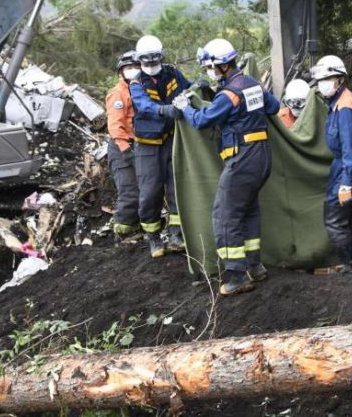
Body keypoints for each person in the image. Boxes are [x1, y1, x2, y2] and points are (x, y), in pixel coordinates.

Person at [178, 38, 280, 295]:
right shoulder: (252, 84)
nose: (208, 72)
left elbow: (203, 120)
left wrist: (186, 109)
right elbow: (274, 106)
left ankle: (236, 275)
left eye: (210, 67)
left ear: (222, 66)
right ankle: (255, 267)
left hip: (243, 158)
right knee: (248, 211)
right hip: (263, 156)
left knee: (225, 215)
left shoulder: (229, 94)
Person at [129, 34, 191, 258]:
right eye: (147, 62)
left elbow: (188, 89)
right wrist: (163, 110)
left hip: (172, 140)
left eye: (155, 61)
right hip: (147, 147)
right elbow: (143, 106)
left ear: (161, 58)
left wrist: (201, 87)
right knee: (149, 193)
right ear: (140, 61)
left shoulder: (173, 73)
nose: (151, 66)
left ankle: (176, 234)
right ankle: (153, 237)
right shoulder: (136, 83)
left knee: (177, 188)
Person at [311, 55, 352, 273]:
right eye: (320, 80)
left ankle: (351, 266)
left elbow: (350, 150)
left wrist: (346, 183)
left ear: (340, 79)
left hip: (349, 167)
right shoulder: (338, 102)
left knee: (334, 219)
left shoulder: (344, 107)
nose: (322, 84)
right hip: (348, 166)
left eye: (328, 78)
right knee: (349, 218)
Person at [105, 50, 141, 238]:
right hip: (122, 147)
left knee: (145, 190)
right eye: (129, 68)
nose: (133, 70)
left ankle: (137, 226)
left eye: (136, 67)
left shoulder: (140, 90)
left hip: (139, 145)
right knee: (129, 192)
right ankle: (123, 233)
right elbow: (115, 127)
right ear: (121, 72)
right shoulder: (118, 94)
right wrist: (127, 152)